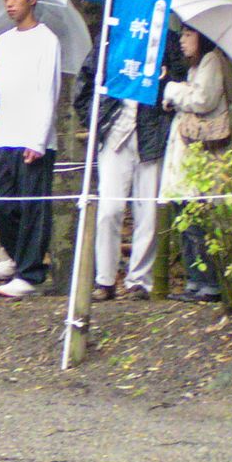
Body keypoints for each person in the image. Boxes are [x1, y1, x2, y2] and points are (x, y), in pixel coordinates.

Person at [74, 32, 184, 301]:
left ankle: (139, 282)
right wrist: (98, 120)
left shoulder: (167, 39)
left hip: (152, 132)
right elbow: (84, 89)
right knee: (109, 210)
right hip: (114, 132)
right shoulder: (111, 36)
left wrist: (167, 81)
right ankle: (105, 280)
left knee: (147, 212)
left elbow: (182, 80)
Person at [0, 0, 62, 298]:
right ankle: (16, 258)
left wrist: (38, 141)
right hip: (4, 134)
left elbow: (49, 92)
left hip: (33, 137)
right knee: (0, 205)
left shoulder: (47, 40)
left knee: (32, 208)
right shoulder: (4, 41)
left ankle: (31, 274)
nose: (10, 4)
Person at [161, 26, 230, 303]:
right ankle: (194, 279)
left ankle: (207, 281)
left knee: (195, 217)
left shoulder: (212, 61)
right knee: (184, 216)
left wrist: (173, 89)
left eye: (188, 35)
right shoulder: (195, 67)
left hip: (200, 153)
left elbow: (203, 99)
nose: (182, 40)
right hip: (187, 148)